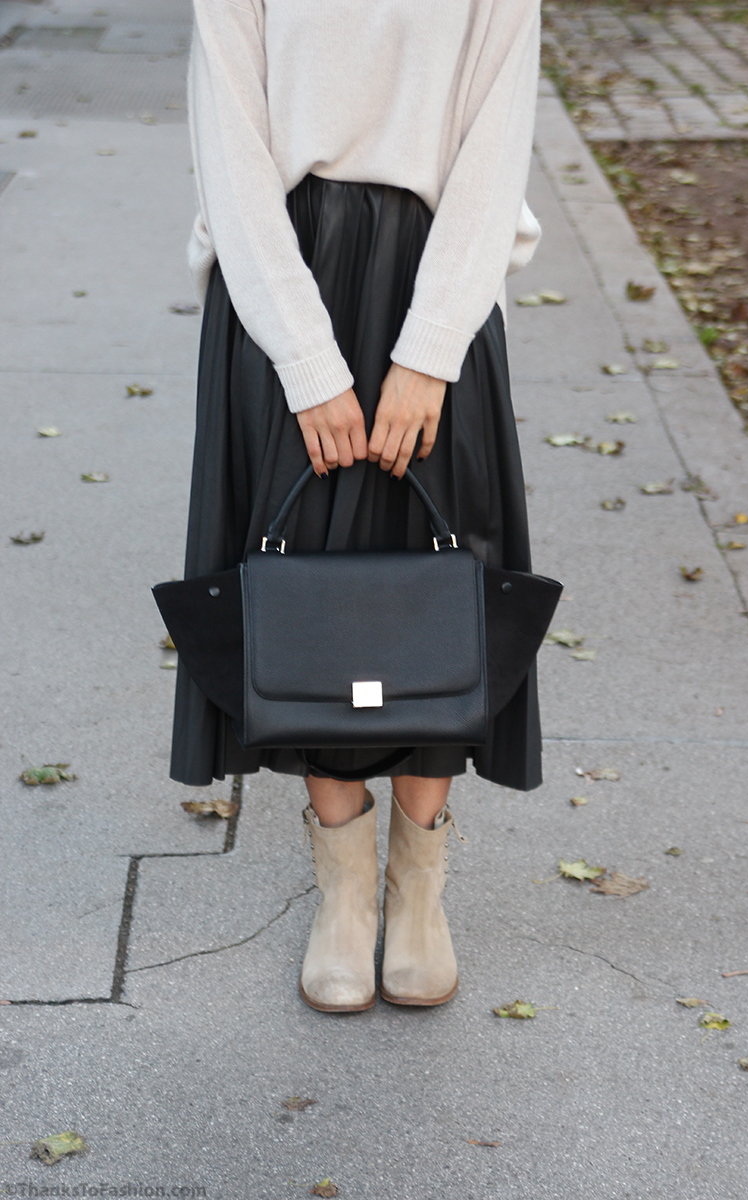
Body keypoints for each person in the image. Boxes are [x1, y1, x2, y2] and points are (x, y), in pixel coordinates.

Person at [172, 0, 543, 1013]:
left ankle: (417, 880)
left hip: (440, 284)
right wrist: (301, 357)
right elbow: (230, 146)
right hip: (278, 281)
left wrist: (427, 355)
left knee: (436, 580)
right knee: (298, 585)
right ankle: (343, 880)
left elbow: (493, 141)